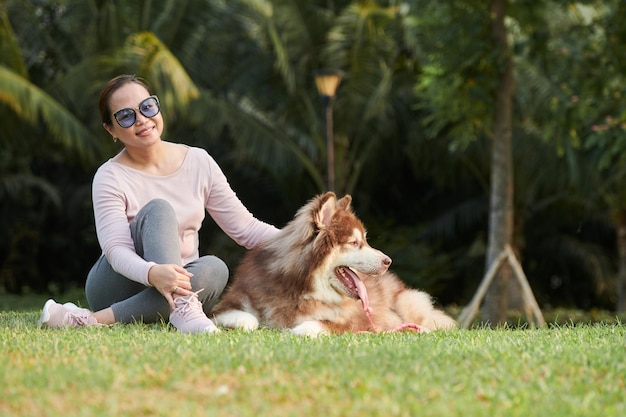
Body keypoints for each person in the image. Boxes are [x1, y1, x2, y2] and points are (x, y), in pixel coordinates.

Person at [39, 74, 278, 333]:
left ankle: (92, 319)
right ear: (111, 129)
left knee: (216, 269)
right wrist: (153, 273)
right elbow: (116, 250)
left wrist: (306, 240)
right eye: (126, 116)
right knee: (159, 209)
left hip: (180, 282)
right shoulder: (110, 176)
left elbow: (245, 228)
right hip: (120, 285)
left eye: (147, 107)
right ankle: (183, 305)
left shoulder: (199, 161)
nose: (142, 119)